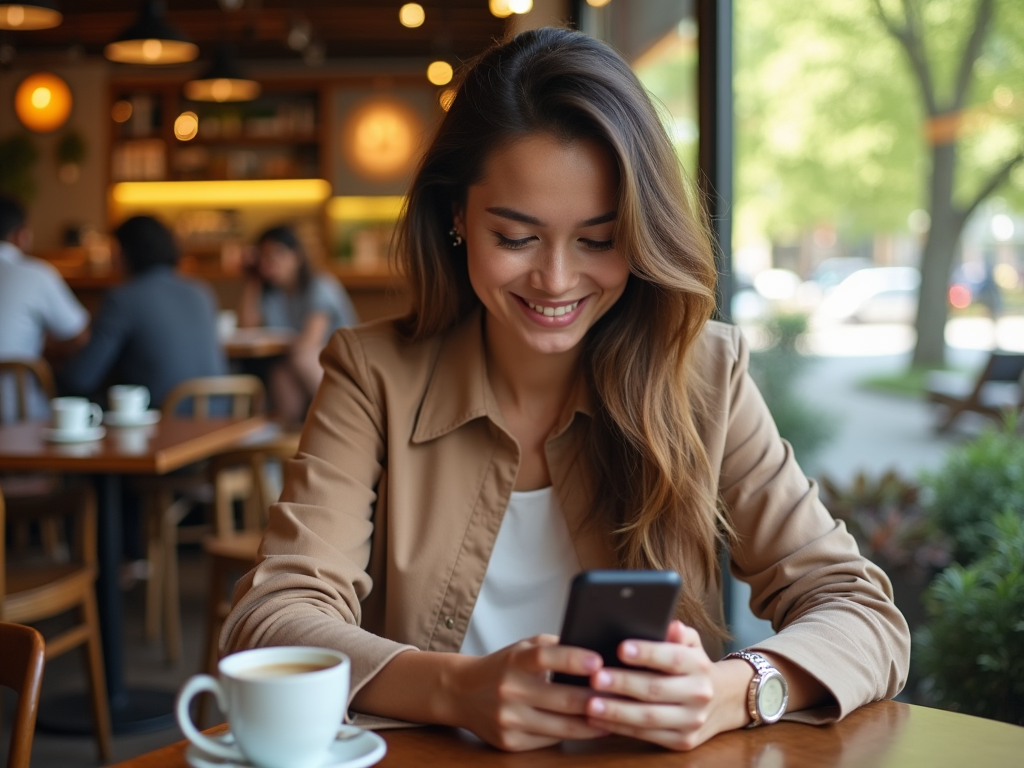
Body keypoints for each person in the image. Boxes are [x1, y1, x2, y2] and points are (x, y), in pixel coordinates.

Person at [224, 28, 909, 753]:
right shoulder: (372, 374)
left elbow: (862, 612)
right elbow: (271, 619)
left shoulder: (703, 372)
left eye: (598, 239)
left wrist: (736, 690)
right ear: (457, 217)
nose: (555, 280)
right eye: (517, 238)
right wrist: (458, 688)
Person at [59, 215, 227, 409]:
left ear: (126, 252)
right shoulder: (201, 291)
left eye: (115, 249)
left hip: (164, 425)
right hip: (219, 421)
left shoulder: (123, 298)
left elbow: (81, 378)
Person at [238, 225, 358, 423]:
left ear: (297, 256)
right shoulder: (271, 293)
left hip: (341, 364)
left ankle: (346, 419)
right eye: (264, 257)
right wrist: (253, 278)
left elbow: (311, 342)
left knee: (300, 359)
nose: (270, 263)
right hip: (296, 363)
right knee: (279, 374)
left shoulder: (320, 286)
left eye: (277, 254)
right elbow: (247, 329)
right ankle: (291, 442)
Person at [0, 195, 90, 422]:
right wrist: (46, 346)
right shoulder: (35, 274)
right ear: (21, 235)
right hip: (18, 420)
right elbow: (80, 336)